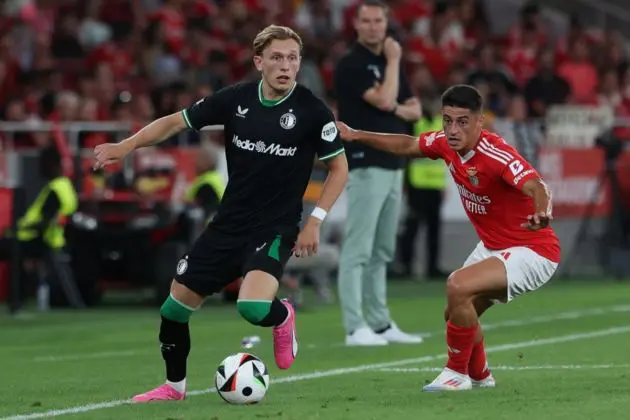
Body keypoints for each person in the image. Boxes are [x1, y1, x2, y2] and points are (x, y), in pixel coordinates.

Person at [93, 24, 348, 402]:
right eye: (277, 57)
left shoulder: (311, 110)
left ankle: (282, 317)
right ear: (259, 61)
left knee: (252, 306)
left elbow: (339, 168)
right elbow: (176, 121)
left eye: (292, 58)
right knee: (173, 310)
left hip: (274, 227)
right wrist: (127, 145)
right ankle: (174, 388)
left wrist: (314, 221)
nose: (285, 66)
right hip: (227, 226)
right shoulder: (236, 100)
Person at [335, 84, 560, 391]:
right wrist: (356, 134)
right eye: (448, 120)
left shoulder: (496, 153)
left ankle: (456, 374)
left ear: (480, 122)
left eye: (462, 121)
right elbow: (407, 145)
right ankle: (480, 375)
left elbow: (537, 186)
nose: (453, 129)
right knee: (454, 308)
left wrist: (542, 212)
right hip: (495, 247)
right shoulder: (444, 143)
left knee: (457, 285)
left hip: (532, 250)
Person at [334, 0, 423, 346]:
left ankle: (381, 323)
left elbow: (414, 111)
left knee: (383, 249)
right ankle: (355, 326)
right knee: (358, 248)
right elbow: (387, 102)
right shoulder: (352, 64)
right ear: (356, 25)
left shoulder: (383, 64)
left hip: (392, 163)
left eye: (378, 21)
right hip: (365, 161)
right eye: (367, 21)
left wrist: (396, 102)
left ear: (387, 25)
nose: (373, 27)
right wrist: (396, 59)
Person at [396, 109, 447, 279]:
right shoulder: (415, 123)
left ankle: (432, 267)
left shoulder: (441, 122)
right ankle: (406, 266)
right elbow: (406, 150)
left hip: (435, 184)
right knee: (412, 227)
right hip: (416, 183)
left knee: (434, 228)